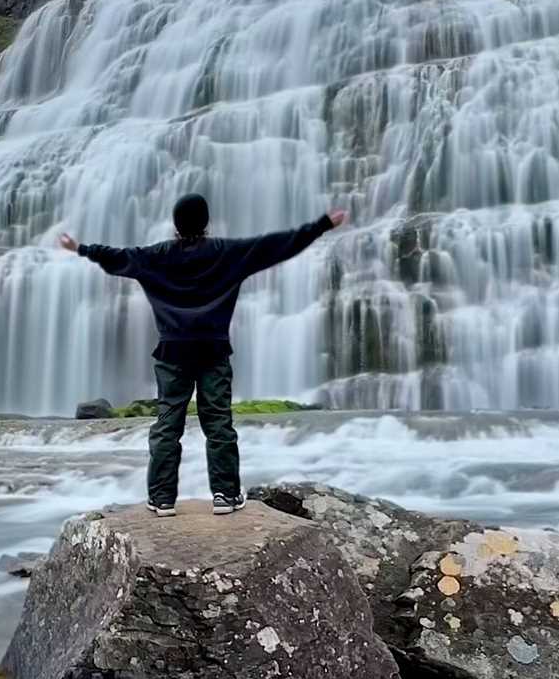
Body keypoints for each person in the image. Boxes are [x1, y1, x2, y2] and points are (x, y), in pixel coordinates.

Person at [59, 192, 347, 516]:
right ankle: (224, 495)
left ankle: (162, 498)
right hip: (213, 350)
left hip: (172, 352)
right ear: (206, 222)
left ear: (175, 224)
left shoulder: (155, 256)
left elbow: (116, 257)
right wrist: (322, 225)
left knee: (168, 423)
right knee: (218, 423)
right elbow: (276, 245)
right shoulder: (228, 253)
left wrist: (81, 249)